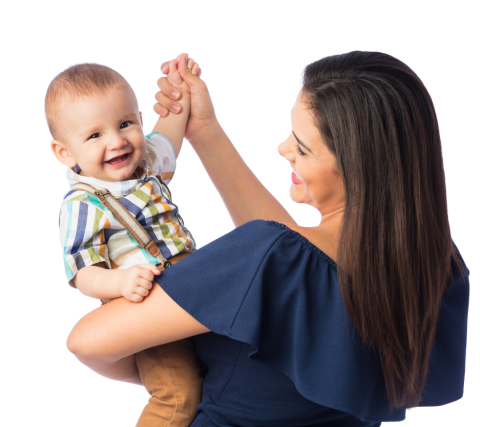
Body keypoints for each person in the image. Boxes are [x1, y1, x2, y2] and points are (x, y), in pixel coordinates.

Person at [66, 51, 469, 426]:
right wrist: (204, 131)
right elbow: (295, 263)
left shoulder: (271, 259)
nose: (283, 148)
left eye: (303, 148)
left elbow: (87, 341)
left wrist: (178, 376)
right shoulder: (440, 271)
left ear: (358, 168)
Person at [46, 54, 205, 427]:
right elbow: (82, 271)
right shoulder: (83, 203)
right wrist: (119, 282)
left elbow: (169, 133)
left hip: (190, 287)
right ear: (65, 152)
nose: (117, 141)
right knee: (177, 394)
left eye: (125, 123)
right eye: (95, 135)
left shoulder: (146, 161)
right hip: (143, 308)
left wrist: (180, 87)